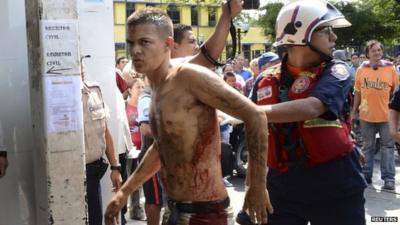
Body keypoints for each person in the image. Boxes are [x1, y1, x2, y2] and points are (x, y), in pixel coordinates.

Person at [105, 7, 272, 225]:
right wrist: (124, 192)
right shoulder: (156, 87)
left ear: (167, 45)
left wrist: (256, 185)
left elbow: (256, 116)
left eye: (144, 42)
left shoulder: (189, 77)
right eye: (131, 43)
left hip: (207, 213)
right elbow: (162, 146)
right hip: (175, 208)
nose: (135, 50)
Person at [251, 1, 367, 224]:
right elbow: (255, 134)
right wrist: (253, 186)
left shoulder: (338, 70)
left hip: (335, 182)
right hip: (282, 184)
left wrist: (245, 111)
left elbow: (312, 107)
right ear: (300, 35)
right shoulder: (265, 80)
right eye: (326, 31)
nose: (334, 38)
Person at [351, 40, 398, 190]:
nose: (377, 53)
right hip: (366, 116)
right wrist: (354, 112)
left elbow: (396, 94)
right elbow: (357, 93)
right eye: (373, 51)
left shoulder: (391, 68)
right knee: (367, 147)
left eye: (379, 50)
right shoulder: (361, 69)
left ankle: (389, 179)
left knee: (388, 147)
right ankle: (366, 175)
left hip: (386, 117)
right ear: (367, 54)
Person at [81, 60, 122, 225]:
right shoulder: (54, 93)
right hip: (66, 175)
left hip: (92, 173)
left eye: (82, 60)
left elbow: (104, 131)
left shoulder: (94, 90)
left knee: (95, 221)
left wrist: (115, 167)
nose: (81, 66)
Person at [125, 78, 146, 220]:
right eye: (138, 87)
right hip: (129, 150)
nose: (141, 90)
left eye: (142, 87)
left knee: (140, 181)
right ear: (130, 90)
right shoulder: (124, 107)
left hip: (143, 148)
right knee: (130, 181)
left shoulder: (145, 105)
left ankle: (136, 210)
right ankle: (128, 209)